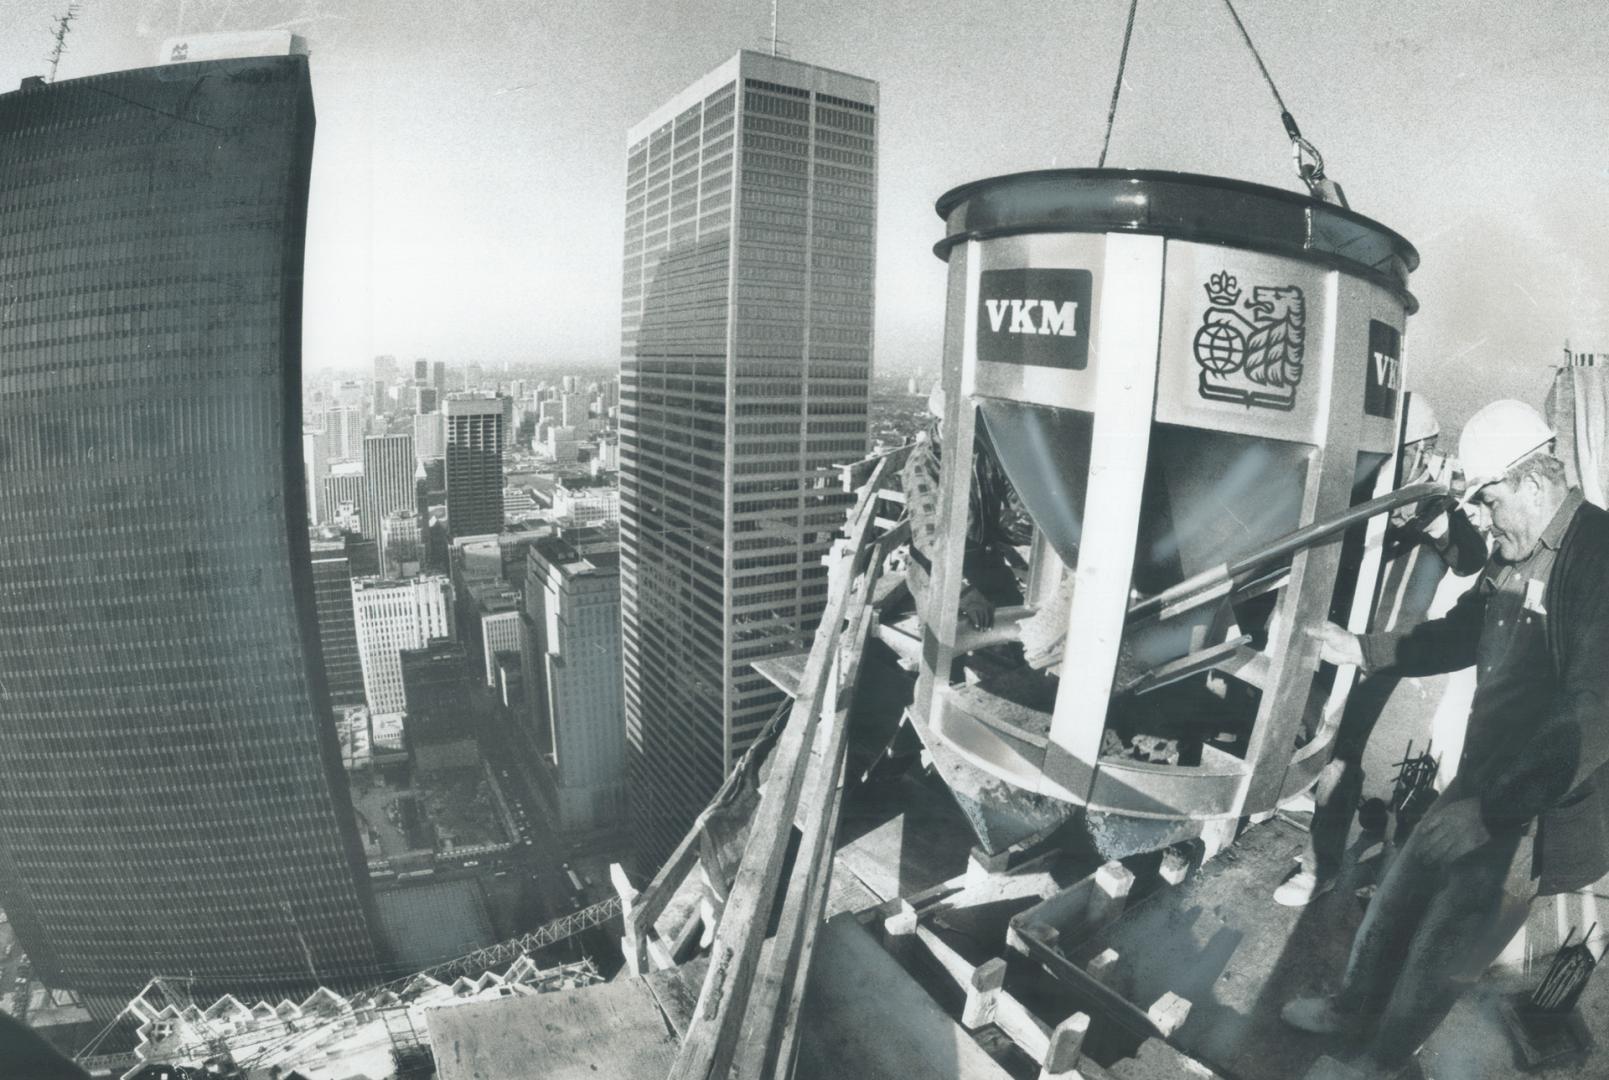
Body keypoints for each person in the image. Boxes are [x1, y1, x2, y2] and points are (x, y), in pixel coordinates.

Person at [1279, 399, 1609, 1079]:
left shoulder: (1596, 560)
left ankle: (1377, 1060)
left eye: (1487, 502)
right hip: (1478, 779)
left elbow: (1594, 717)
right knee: (1398, 895)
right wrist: (1363, 649)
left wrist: (1491, 814)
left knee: (1445, 946)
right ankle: (1348, 1009)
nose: (1481, 521)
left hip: (1533, 814)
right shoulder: (1513, 552)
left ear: (1534, 482)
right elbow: (1460, 630)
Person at [1274, 393, 1487, 906]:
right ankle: (1342, 807)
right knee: (1309, 726)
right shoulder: (1364, 492)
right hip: (1339, 638)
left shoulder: (1436, 505)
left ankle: (1321, 864)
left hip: (1384, 652)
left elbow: (1470, 559)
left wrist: (1437, 521)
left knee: (1340, 747)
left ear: (1419, 452)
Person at [901, 383, 1032, 632]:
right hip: (937, 571)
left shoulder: (981, 451)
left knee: (1018, 628)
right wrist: (964, 593)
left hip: (982, 559)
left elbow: (1017, 498)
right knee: (946, 649)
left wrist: (1026, 525)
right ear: (944, 418)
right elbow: (930, 541)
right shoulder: (924, 462)